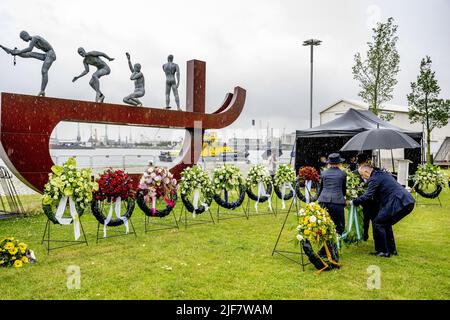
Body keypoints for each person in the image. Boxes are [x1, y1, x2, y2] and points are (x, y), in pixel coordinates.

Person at [350, 165, 415, 257]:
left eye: (362, 175)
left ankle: (383, 251)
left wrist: (353, 202)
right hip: (406, 201)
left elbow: (367, 195)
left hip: (399, 202)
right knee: (385, 223)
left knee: (378, 222)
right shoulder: (382, 174)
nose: (362, 177)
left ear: (366, 172)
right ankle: (391, 250)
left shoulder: (374, 179)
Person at [0, 31, 56, 96]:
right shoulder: (33, 40)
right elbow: (28, 51)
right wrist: (17, 52)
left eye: (23, 39)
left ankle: (42, 91)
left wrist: (18, 52)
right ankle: (11, 51)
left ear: (25, 35)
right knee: (29, 54)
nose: (23, 40)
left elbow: (30, 48)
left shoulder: (35, 38)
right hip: (46, 54)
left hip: (51, 54)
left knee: (44, 71)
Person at [317, 153, 347, 235]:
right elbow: (343, 189)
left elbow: (321, 188)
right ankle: (335, 242)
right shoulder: (343, 173)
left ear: (329, 163)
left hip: (324, 201)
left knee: (325, 223)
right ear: (339, 163)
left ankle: (328, 241)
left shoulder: (324, 173)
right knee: (339, 226)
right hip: (337, 202)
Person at [355, 153, 378, 241]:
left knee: (373, 218)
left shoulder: (373, 171)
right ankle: (364, 234)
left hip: (373, 199)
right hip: (362, 200)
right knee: (365, 218)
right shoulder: (355, 173)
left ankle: (371, 235)